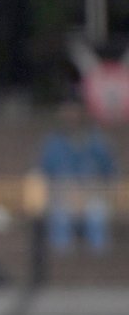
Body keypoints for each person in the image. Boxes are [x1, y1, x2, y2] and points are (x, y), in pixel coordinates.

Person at [37, 99, 116, 255]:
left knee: (97, 216)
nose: (71, 116)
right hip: (62, 197)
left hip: (92, 196)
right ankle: (61, 266)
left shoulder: (96, 141)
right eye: (67, 112)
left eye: (74, 112)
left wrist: (96, 190)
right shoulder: (53, 143)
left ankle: (99, 263)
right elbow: (43, 174)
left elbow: (110, 172)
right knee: (60, 218)